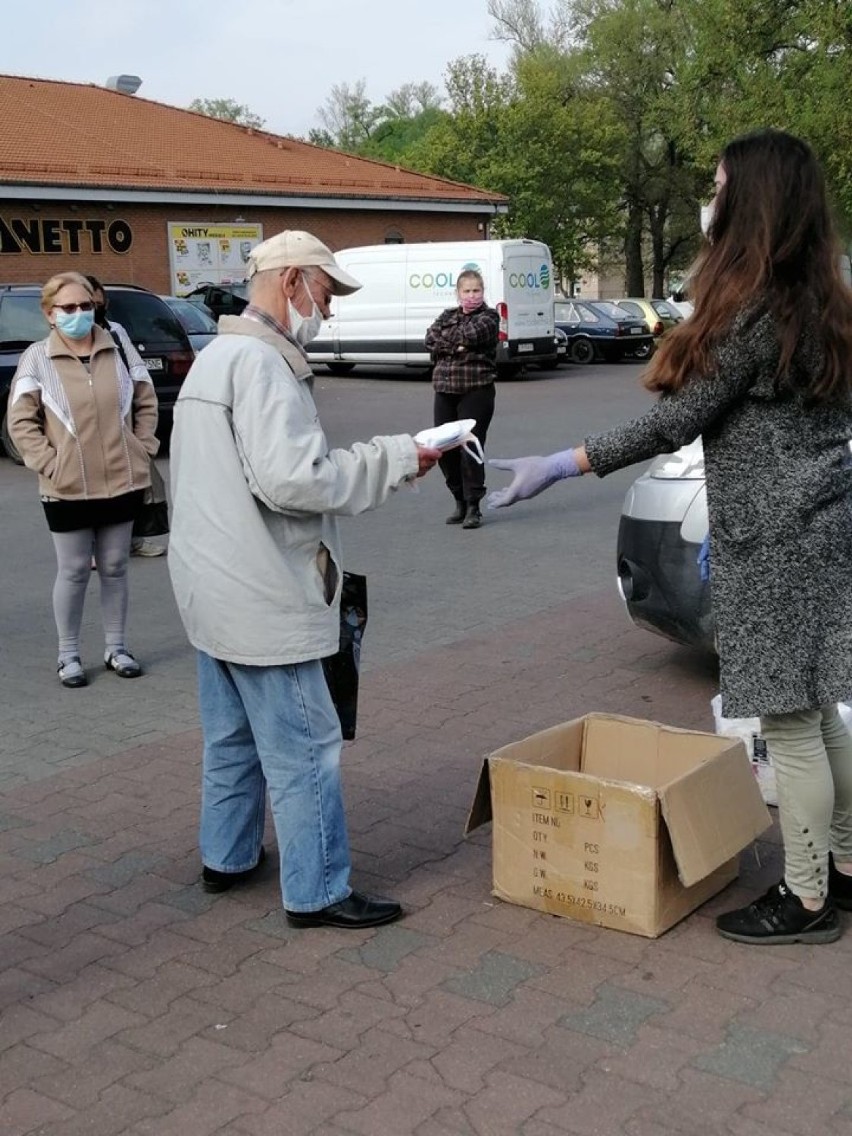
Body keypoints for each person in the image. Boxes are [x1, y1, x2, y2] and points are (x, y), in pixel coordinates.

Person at [486, 128, 852, 946]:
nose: (708, 202)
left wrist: (565, 460)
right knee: (822, 709)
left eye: (719, 186)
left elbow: (678, 421)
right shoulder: (823, 300)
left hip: (772, 543)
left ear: (750, 204)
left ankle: (805, 898)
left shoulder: (753, 309)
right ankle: (846, 869)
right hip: (822, 533)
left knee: (790, 723)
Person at [167, 230, 441, 929]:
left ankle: (224, 858)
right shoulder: (261, 365)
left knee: (230, 738)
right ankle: (316, 889)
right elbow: (298, 481)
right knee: (305, 748)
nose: (329, 311)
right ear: (292, 282)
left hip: (213, 591)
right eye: (325, 292)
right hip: (263, 595)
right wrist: (399, 456)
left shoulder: (215, 357)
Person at [8, 271, 159, 687]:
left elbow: (146, 399)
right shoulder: (37, 357)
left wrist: (142, 446)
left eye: (86, 306)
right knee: (74, 570)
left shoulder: (120, 347)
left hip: (122, 480)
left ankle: (116, 647)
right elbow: (21, 421)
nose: (79, 314)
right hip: (67, 487)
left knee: (114, 567)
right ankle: (68, 655)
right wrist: (49, 463)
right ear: (50, 313)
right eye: (69, 308)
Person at [85, 274, 166, 558]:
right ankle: (95, 548)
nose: (94, 308)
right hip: (90, 429)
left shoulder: (116, 331)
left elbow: (139, 373)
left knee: (133, 486)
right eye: (88, 303)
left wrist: (145, 438)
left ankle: (134, 539)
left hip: (125, 423)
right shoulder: (68, 340)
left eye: (98, 302)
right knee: (96, 488)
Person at [425, 268, 499, 529]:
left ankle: (473, 506)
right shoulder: (447, 316)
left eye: (476, 290)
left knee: (470, 448)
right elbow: (430, 338)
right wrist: (456, 346)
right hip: (445, 390)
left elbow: (471, 336)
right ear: (458, 293)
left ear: (482, 292)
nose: (471, 295)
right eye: (466, 291)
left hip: (475, 390)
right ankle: (457, 498)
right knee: (443, 449)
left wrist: (452, 344)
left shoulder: (489, 317)